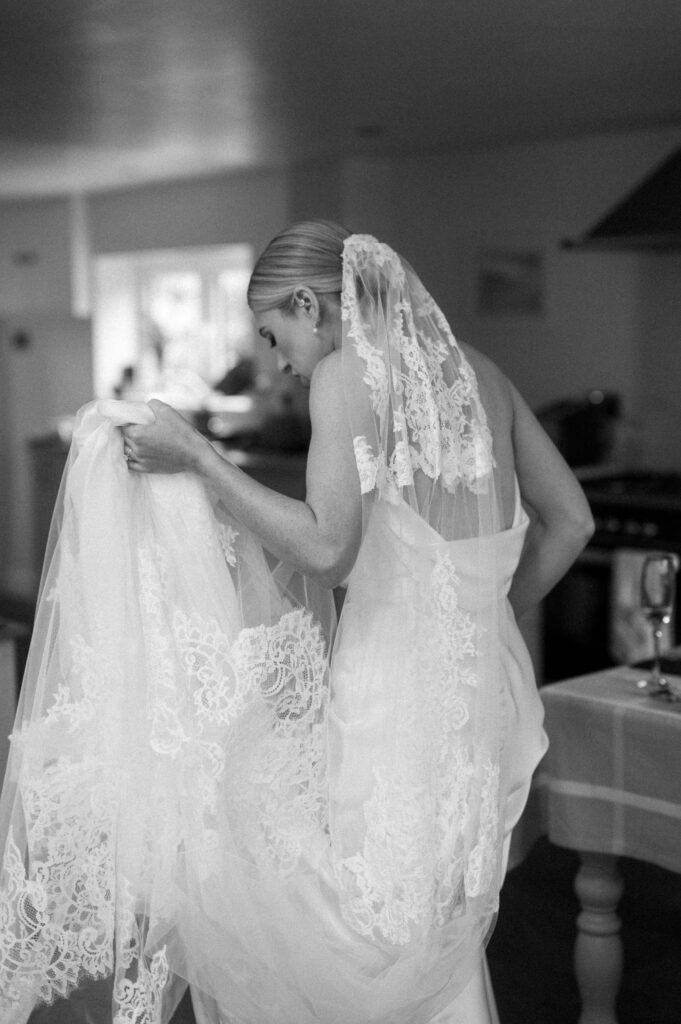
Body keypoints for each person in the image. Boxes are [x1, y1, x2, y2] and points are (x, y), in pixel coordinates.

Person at [0, 221, 593, 1024]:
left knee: (357, 925)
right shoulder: (482, 374)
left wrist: (200, 460)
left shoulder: (348, 370)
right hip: (484, 693)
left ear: (312, 305)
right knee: (431, 923)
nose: (281, 360)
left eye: (276, 336)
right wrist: (469, 628)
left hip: (392, 699)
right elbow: (572, 523)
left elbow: (324, 547)